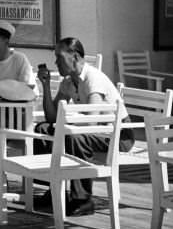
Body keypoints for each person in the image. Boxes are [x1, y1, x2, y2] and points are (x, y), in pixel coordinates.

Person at [32, 37, 133, 217]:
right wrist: (45, 86)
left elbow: (91, 123)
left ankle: (83, 199)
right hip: (97, 132)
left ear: (75, 57)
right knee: (42, 128)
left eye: (59, 57)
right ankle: (55, 188)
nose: (55, 62)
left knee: (75, 136)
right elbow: (52, 117)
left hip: (119, 135)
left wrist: (68, 120)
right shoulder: (69, 81)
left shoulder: (93, 79)